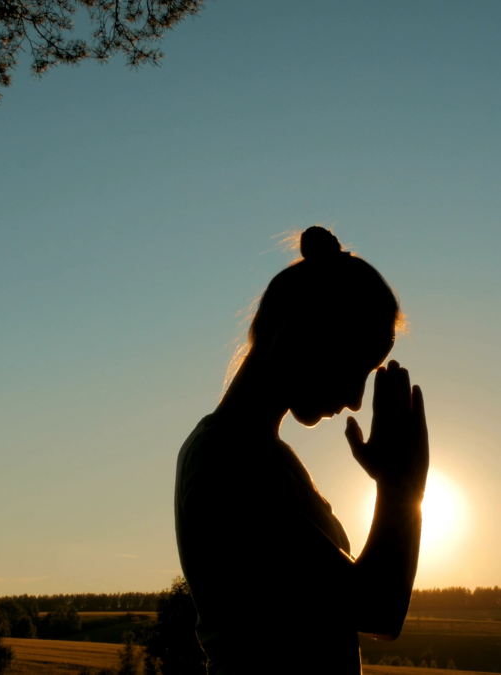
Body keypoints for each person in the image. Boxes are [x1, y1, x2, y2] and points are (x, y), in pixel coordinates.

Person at [174, 226, 429, 674]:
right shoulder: (226, 460)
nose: (355, 399)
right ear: (294, 337)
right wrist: (400, 487)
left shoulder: (267, 456)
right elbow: (376, 609)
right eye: (354, 368)